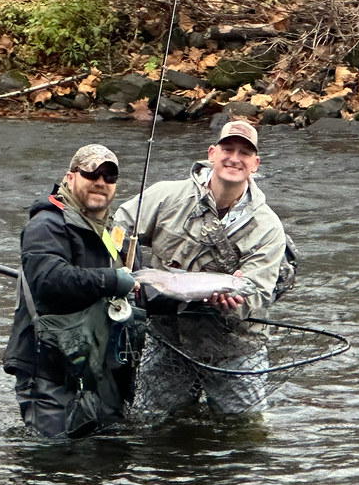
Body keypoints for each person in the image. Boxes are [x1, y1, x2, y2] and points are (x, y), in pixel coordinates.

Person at [113, 119, 294, 424]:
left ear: (255, 164)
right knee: (151, 426)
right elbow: (117, 228)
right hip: (168, 337)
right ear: (212, 153)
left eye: (244, 153)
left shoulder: (267, 226)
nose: (234, 158)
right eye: (227, 148)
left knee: (244, 433)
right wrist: (121, 273)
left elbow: (258, 291)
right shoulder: (166, 196)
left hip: (234, 348)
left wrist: (238, 303)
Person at [2, 144, 143, 439]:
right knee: (54, 459)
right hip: (49, 365)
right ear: (70, 177)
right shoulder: (46, 224)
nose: (101, 181)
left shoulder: (118, 234)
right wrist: (114, 280)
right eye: (91, 172)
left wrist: (205, 295)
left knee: (107, 459)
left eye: (109, 176)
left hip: (103, 367)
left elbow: (142, 288)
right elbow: (50, 279)